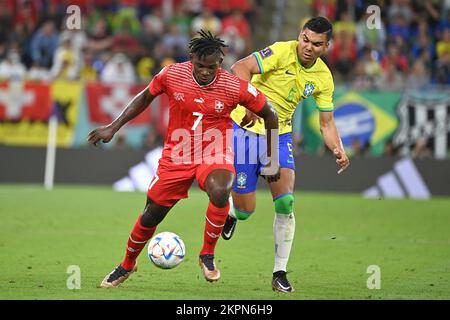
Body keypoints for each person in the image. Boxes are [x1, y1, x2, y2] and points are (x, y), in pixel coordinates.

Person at [87, 30, 280, 288]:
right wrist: (113, 126)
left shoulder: (235, 86)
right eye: (200, 66)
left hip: (215, 150)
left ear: (219, 64)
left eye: (211, 67)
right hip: (177, 154)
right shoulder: (171, 74)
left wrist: (272, 159)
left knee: (221, 190)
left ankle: (207, 255)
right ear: (191, 60)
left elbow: (270, 114)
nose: (205, 72)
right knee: (150, 215)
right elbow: (145, 97)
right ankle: (126, 264)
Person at [221, 17, 350, 293]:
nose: (308, 47)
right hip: (244, 130)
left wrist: (337, 147)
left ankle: (279, 272)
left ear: (326, 46)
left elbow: (326, 123)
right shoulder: (281, 51)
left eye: (316, 44)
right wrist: (251, 103)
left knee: (285, 202)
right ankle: (232, 212)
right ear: (299, 35)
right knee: (246, 211)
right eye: (305, 39)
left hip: (278, 136)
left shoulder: (323, 78)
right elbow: (239, 68)